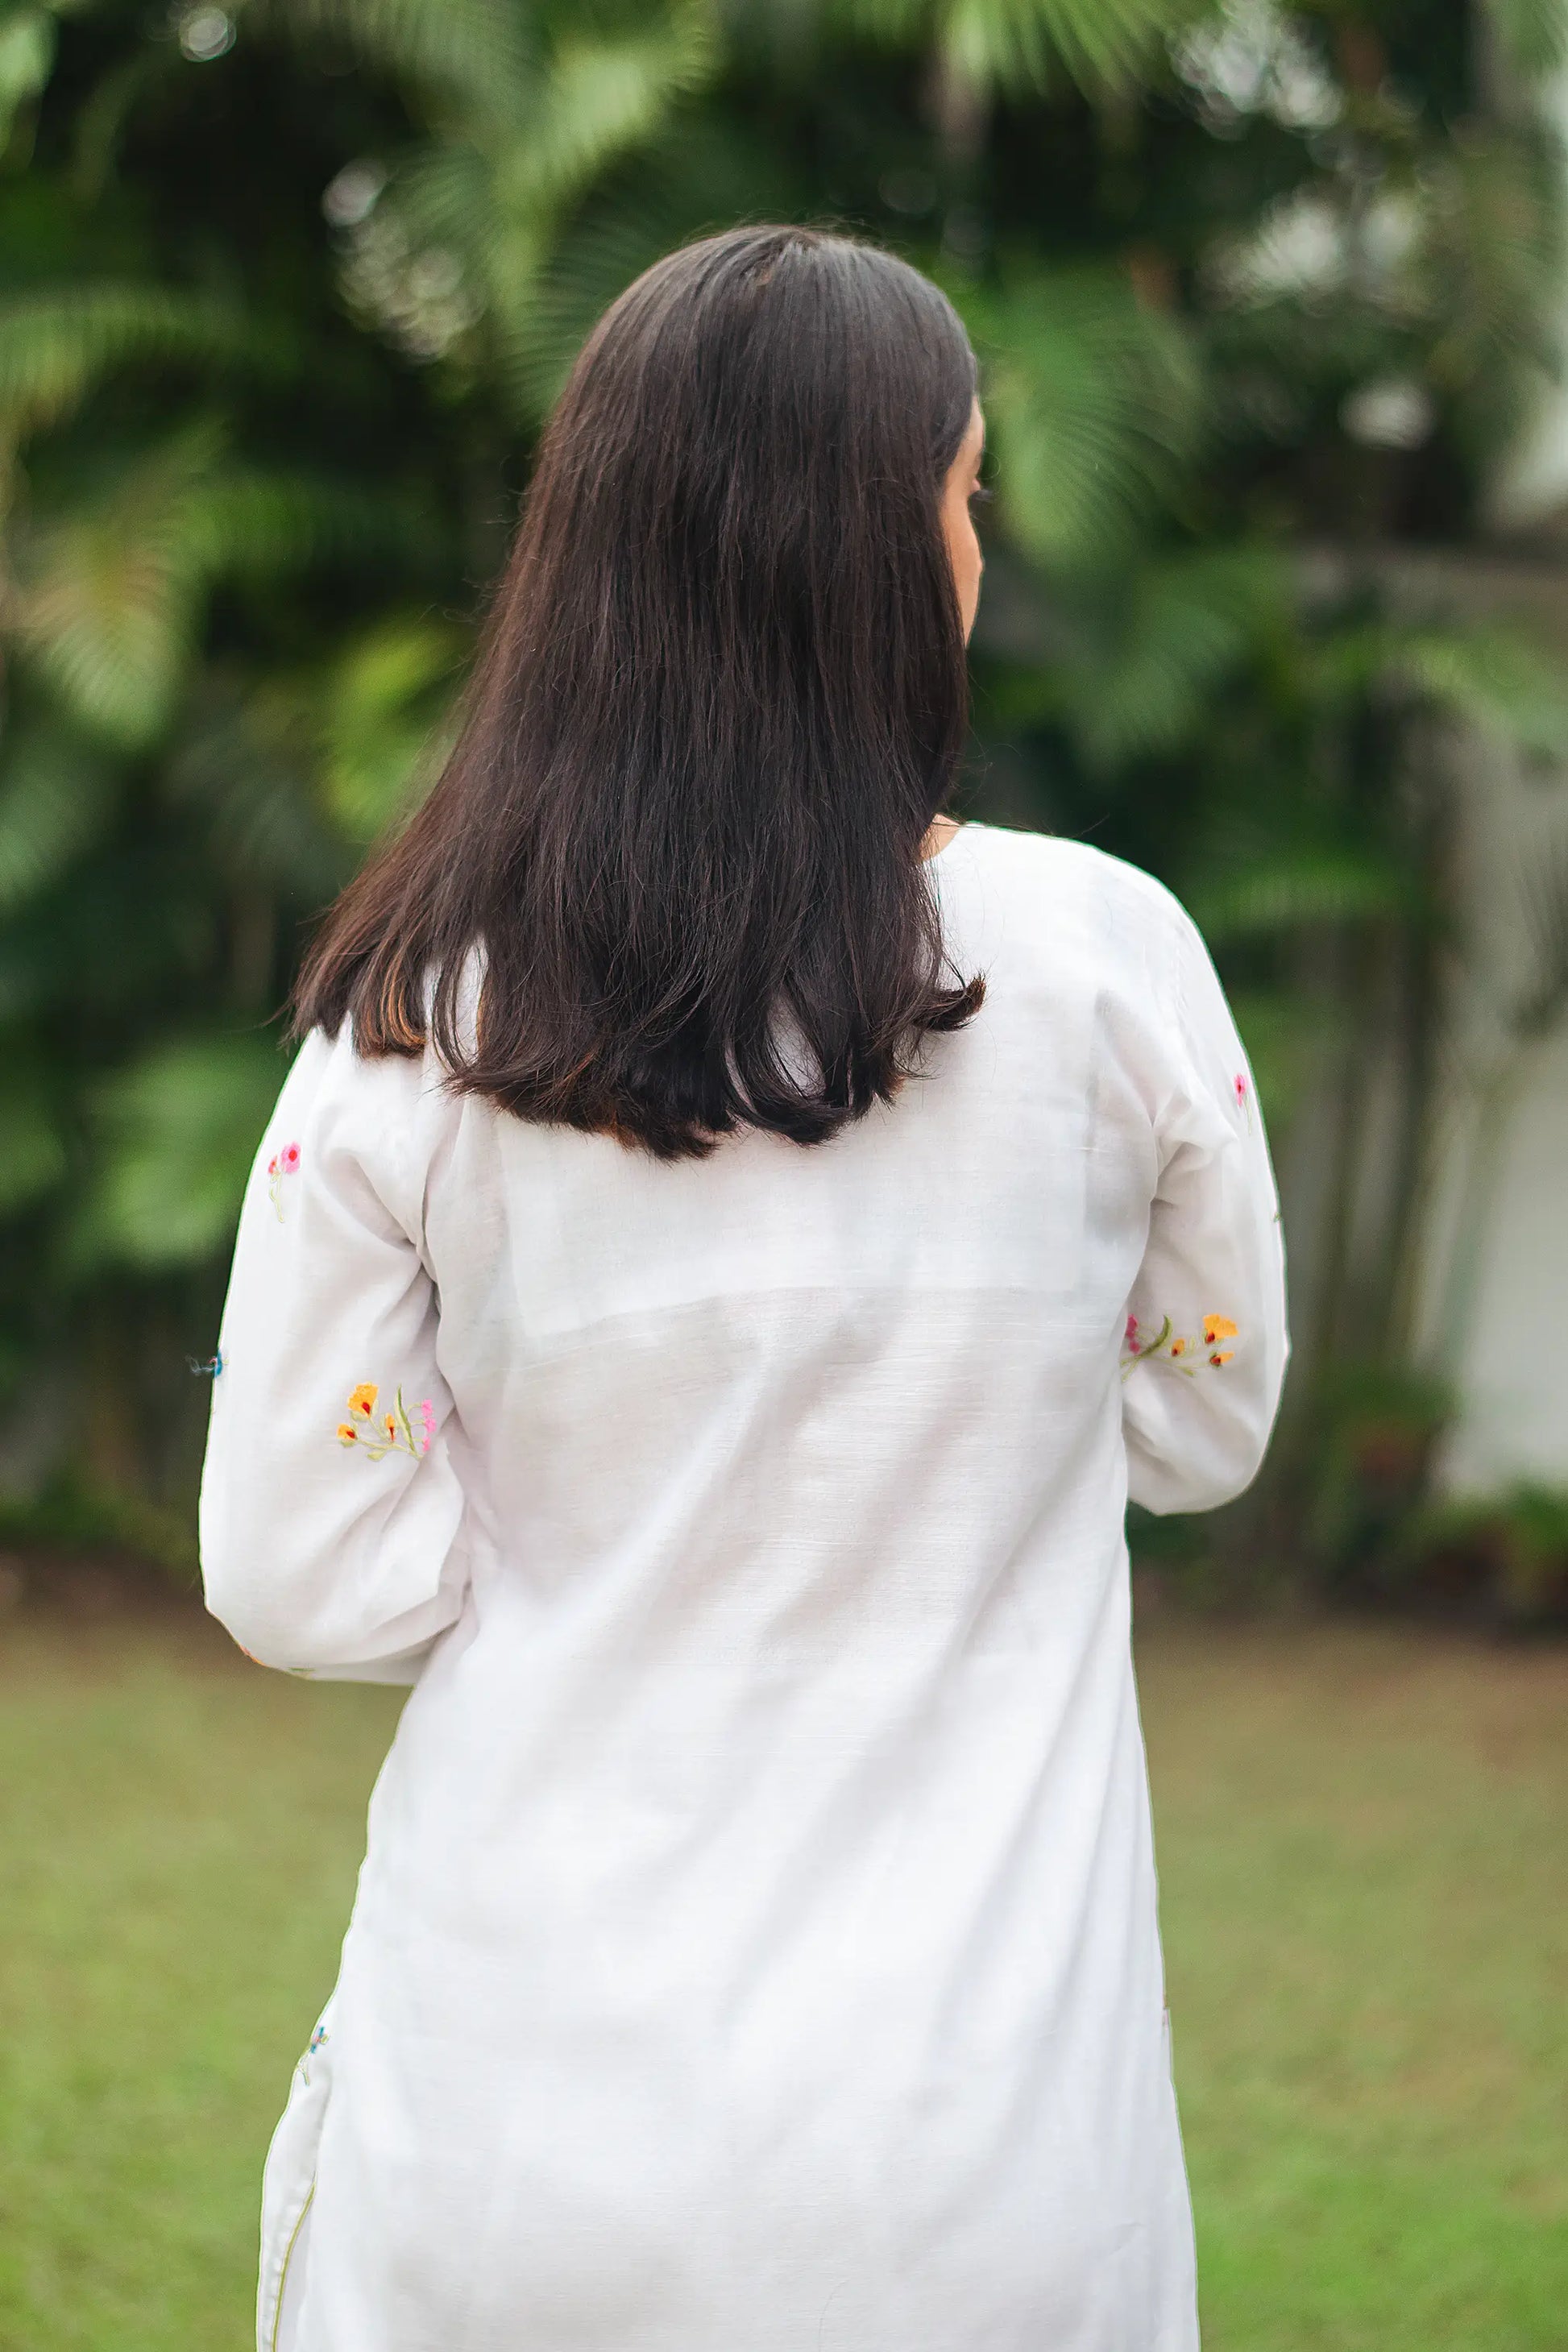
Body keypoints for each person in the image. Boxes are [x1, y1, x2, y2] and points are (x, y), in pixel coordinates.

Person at [201, 224, 1287, 2352]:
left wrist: (563, 1535)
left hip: (507, 2138)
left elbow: (298, 1569)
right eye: (963, 493)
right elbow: (1198, 1404)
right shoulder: (1104, 963)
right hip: (988, 2163)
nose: (978, 544)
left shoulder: (418, 1018)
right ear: (891, 551)